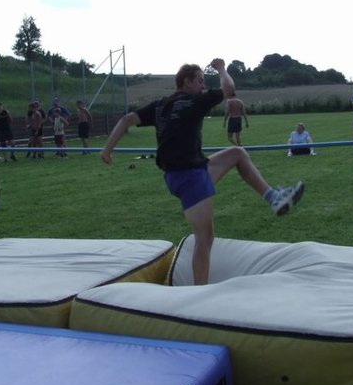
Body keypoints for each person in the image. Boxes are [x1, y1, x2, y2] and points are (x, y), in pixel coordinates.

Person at [101, 58, 304, 286]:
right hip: (189, 177)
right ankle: (199, 292)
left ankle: (273, 198)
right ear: (187, 82)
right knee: (204, 239)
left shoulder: (160, 105)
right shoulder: (195, 101)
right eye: (200, 80)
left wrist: (107, 150)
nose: (203, 85)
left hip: (185, 172)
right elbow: (229, 89)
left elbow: (126, 120)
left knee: (237, 154)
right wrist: (221, 67)